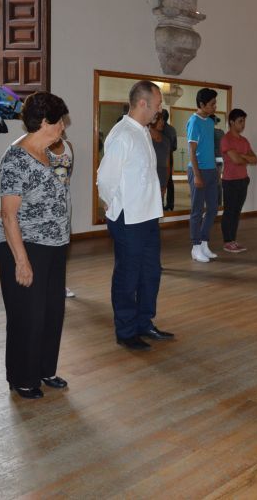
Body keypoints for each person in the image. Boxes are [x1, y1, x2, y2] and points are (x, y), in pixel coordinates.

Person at [0, 92, 72, 399]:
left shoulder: (50, 154)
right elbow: (10, 216)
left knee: (52, 310)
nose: (63, 127)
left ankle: (44, 369)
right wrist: (22, 262)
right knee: (28, 313)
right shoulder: (15, 158)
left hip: (53, 244)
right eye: (59, 120)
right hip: (23, 245)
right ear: (43, 122)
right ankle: (22, 377)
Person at [97, 81, 174, 350]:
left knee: (150, 273)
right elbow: (105, 178)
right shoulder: (123, 135)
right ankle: (126, 331)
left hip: (148, 215)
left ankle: (144, 323)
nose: (159, 110)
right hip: (128, 218)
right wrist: (109, 203)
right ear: (143, 103)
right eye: (158, 104)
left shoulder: (142, 131)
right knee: (128, 276)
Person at [187, 88, 220, 263]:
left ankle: (205, 242)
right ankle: (195, 246)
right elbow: (192, 151)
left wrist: (215, 169)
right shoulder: (194, 121)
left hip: (211, 170)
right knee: (197, 210)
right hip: (197, 170)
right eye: (212, 104)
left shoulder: (209, 122)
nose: (215, 106)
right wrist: (197, 175)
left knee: (213, 208)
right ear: (202, 104)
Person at [220, 108, 257, 253]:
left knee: (237, 211)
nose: (243, 124)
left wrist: (242, 156)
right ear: (231, 122)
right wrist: (244, 157)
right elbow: (235, 160)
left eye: (244, 121)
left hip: (243, 180)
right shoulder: (226, 139)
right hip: (230, 181)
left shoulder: (244, 141)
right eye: (240, 121)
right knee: (229, 211)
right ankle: (227, 241)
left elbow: (255, 159)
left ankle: (233, 240)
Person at [49, 133, 77, 299]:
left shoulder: (69, 146)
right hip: (46, 205)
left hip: (65, 202)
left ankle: (59, 284)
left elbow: (68, 174)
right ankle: (47, 285)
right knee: (47, 245)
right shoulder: (41, 147)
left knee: (63, 243)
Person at [150, 109, 172, 201]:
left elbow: (167, 165)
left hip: (161, 181)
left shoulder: (166, 141)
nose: (163, 122)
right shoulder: (145, 138)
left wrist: (165, 185)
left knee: (158, 211)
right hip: (148, 182)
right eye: (160, 120)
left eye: (163, 120)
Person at [162, 110, 178, 211]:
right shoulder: (172, 130)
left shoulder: (158, 129)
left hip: (159, 157)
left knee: (159, 179)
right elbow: (175, 146)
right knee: (169, 181)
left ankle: (160, 204)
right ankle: (170, 204)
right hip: (170, 156)